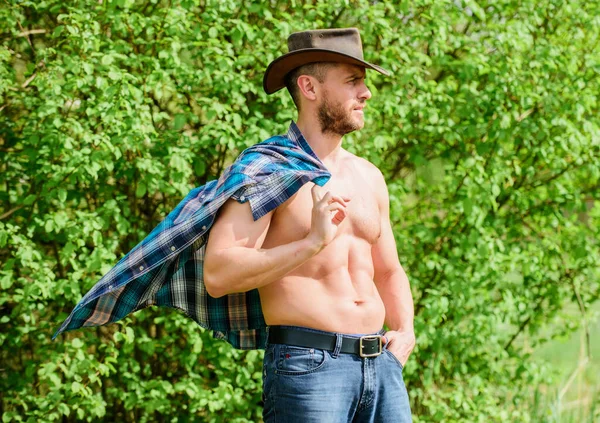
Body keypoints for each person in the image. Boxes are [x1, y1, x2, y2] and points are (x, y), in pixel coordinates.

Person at [204, 28, 415, 423]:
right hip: (309, 368)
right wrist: (311, 243)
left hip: (382, 366)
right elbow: (218, 272)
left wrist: (405, 331)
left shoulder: (368, 176)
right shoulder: (267, 171)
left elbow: (389, 269)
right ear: (309, 87)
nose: (366, 93)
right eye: (353, 81)